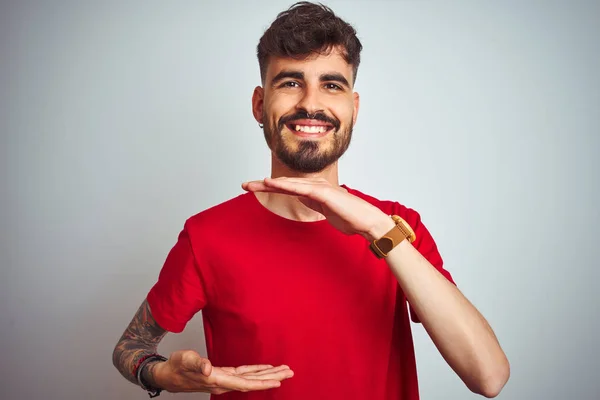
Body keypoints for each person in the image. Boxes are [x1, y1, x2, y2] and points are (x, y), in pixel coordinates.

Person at [112, 2, 510, 399]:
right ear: (258, 104)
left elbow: (488, 377)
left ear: (353, 109)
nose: (310, 103)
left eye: (332, 85)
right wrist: (161, 375)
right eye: (289, 82)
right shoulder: (206, 236)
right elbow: (130, 348)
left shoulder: (397, 226)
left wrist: (379, 230)